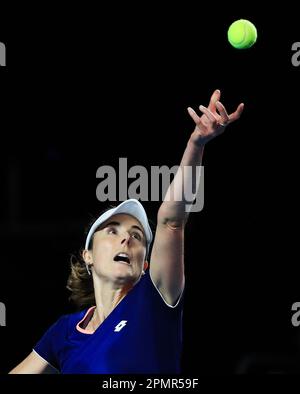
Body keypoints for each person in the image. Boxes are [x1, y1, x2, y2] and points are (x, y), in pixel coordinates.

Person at [9, 90, 244, 374]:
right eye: (112, 230)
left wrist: (197, 142)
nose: (126, 238)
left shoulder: (152, 301)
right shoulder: (64, 331)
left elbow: (171, 221)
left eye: (137, 236)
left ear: (145, 265)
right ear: (89, 256)